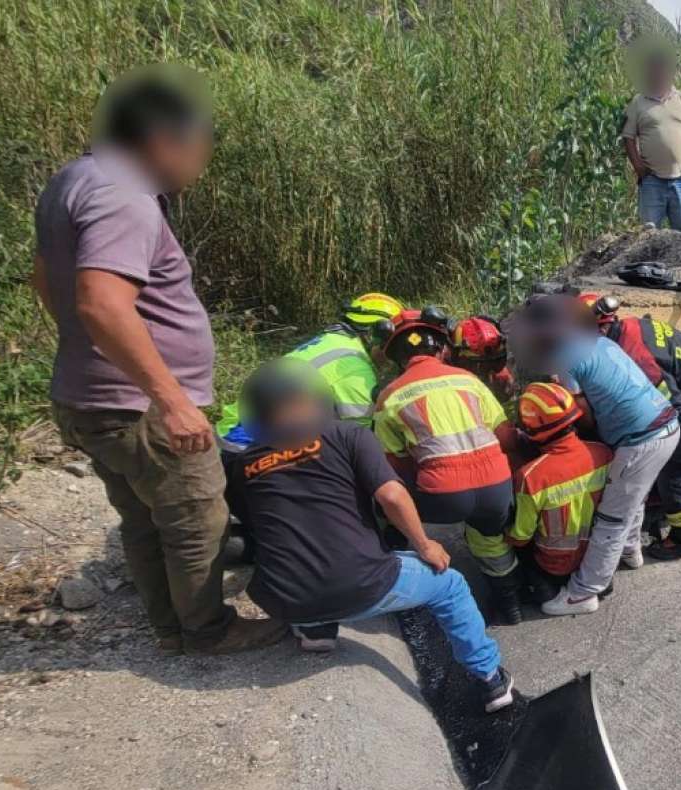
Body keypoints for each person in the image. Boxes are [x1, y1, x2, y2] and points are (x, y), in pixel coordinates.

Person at [33, 67, 284, 655]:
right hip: (140, 404)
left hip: (93, 397)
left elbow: (46, 278)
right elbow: (99, 299)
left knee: (144, 521)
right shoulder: (127, 198)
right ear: (163, 139)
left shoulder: (72, 180)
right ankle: (208, 631)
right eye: (202, 146)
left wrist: (86, 349)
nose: (202, 162)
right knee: (199, 519)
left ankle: (170, 629)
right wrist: (169, 398)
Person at [228, 359, 514, 713]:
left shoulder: (244, 463)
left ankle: (316, 632)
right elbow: (392, 496)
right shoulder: (347, 435)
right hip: (362, 581)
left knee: (297, 559)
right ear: (312, 400)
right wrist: (425, 545)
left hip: (285, 597)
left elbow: (256, 523)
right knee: (450, 584)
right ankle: (489, 678)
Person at [516, 296, 680, 616]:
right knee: (633, 498)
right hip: (667, 426)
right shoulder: (601, 341)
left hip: (641, 438)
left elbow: (579, 410)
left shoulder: (564, 358)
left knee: (611, 519)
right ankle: (631, 554)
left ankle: (584, 593)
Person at [373, 307, 524, 625]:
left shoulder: (388, 398)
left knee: (382, 500)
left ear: (395, 358)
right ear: (442, 348)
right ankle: (510, 606)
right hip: (497, 488)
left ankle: (402, 574)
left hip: (441, 501)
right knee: (489, 538)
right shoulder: (468, 380)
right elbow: (506, 438)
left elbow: (396, 468)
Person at [581, 294, 681, 559]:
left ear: (600, 327)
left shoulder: (636, 355)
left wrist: (664, 447)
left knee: (671, 470)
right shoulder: (626, 329)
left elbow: (675, 407)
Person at [215, 292, 404, 454]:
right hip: (244, 441)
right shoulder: (353, 367)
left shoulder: (332, 342)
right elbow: (361, 437)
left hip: (241, 428)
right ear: (376, 335)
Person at [507, 382, 613, 605]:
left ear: (531, 429)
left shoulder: (531, 476)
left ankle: (542, 591)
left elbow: (520, 537)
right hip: (595, 559)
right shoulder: (602, 453)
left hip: (554, 566)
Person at [622, 47, 681, 232]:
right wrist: (638, 167)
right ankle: (649, 263)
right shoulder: (638, 102)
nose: (658, 74)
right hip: (652, 181)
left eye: (662, 69)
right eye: (654, 69)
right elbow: (628, 137)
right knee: (648, 234)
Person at [450, 316, 517, 404]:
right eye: (482, 367)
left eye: (495, 363)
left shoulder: (503, 379)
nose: (490, 372)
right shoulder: (451, 383)